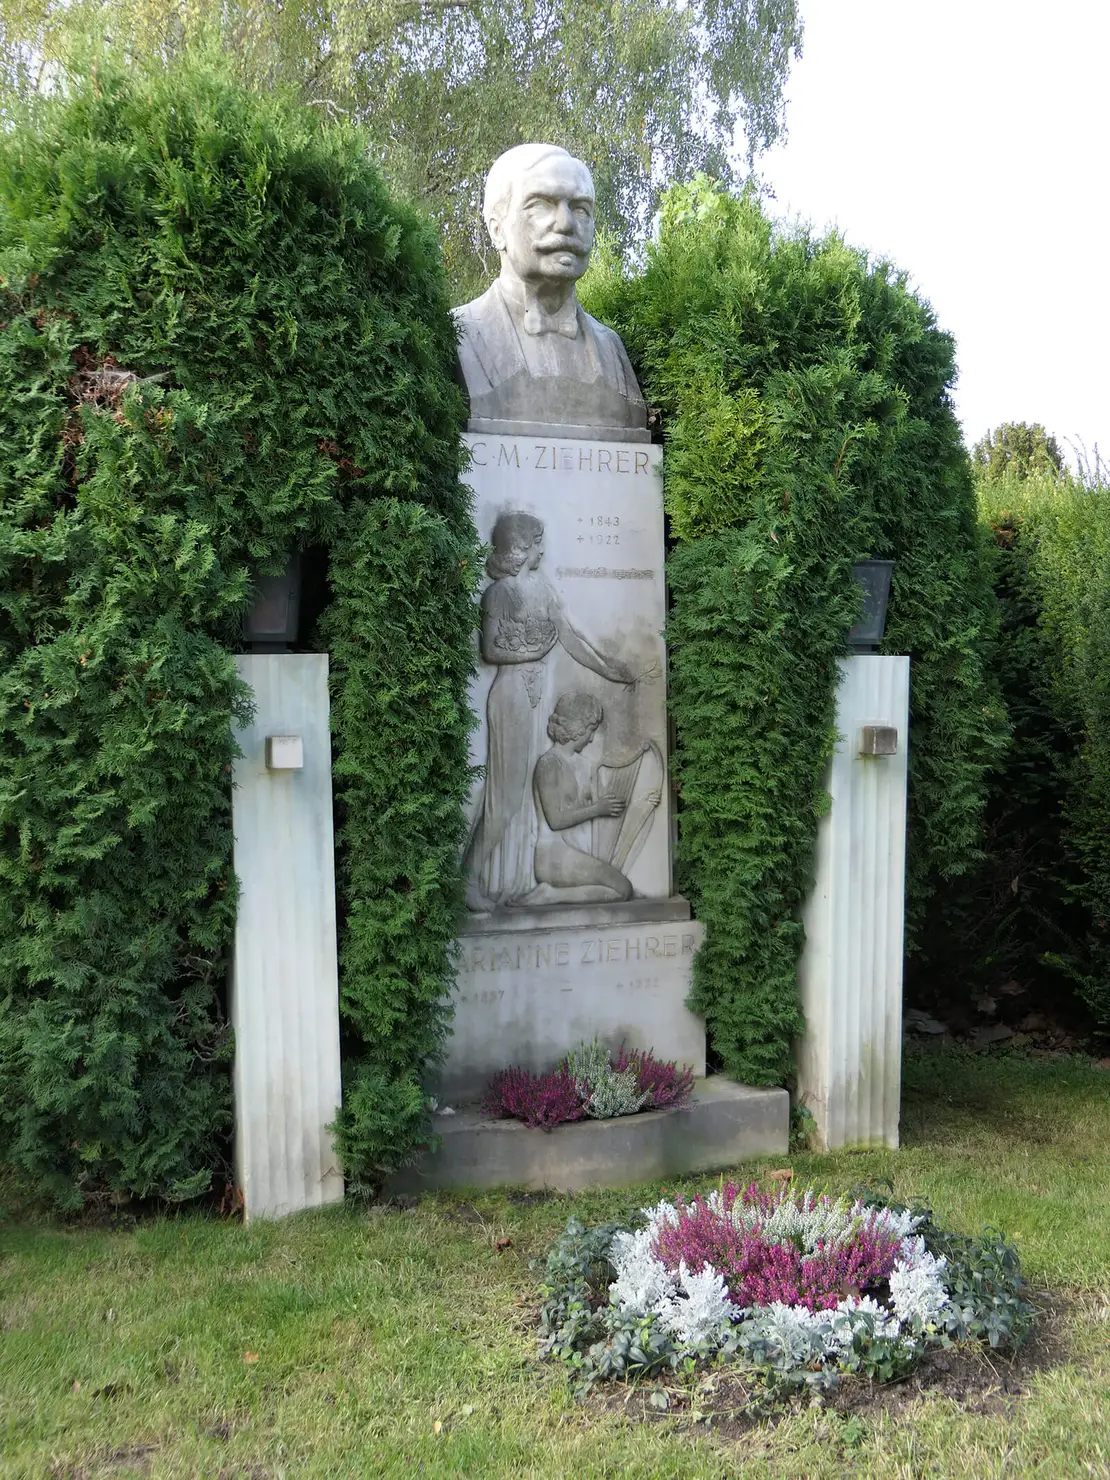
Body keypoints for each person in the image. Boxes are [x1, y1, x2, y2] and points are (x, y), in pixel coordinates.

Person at [464, 513, 632, 909]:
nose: (542, 549)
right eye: (537, 542)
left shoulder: (543, 588)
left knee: (523, 799)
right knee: (504, 797)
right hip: (510, 697)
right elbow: (490, 650)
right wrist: (537, 650)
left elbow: (570, 637)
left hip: (535, 699)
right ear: (519, 548)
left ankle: (514, 882)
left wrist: (607, 668)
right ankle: (468, 879)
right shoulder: (498, 593)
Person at [454, 144, 647, 436]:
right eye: (541, 204)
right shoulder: (459, 333)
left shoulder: (613, 349)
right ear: (497, 230)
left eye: (581, 208)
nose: (566, 223)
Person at [524, 692, 635, 905]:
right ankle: (550, 895)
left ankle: (553, 895)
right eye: (590, 731)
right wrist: (597, 809)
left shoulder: (583, 764)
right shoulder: (548, 764)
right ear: (576, 729)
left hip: (573, 852)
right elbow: (556, 821)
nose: (592, 738)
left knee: (623, 889)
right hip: (553, 856)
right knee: (622, 889)